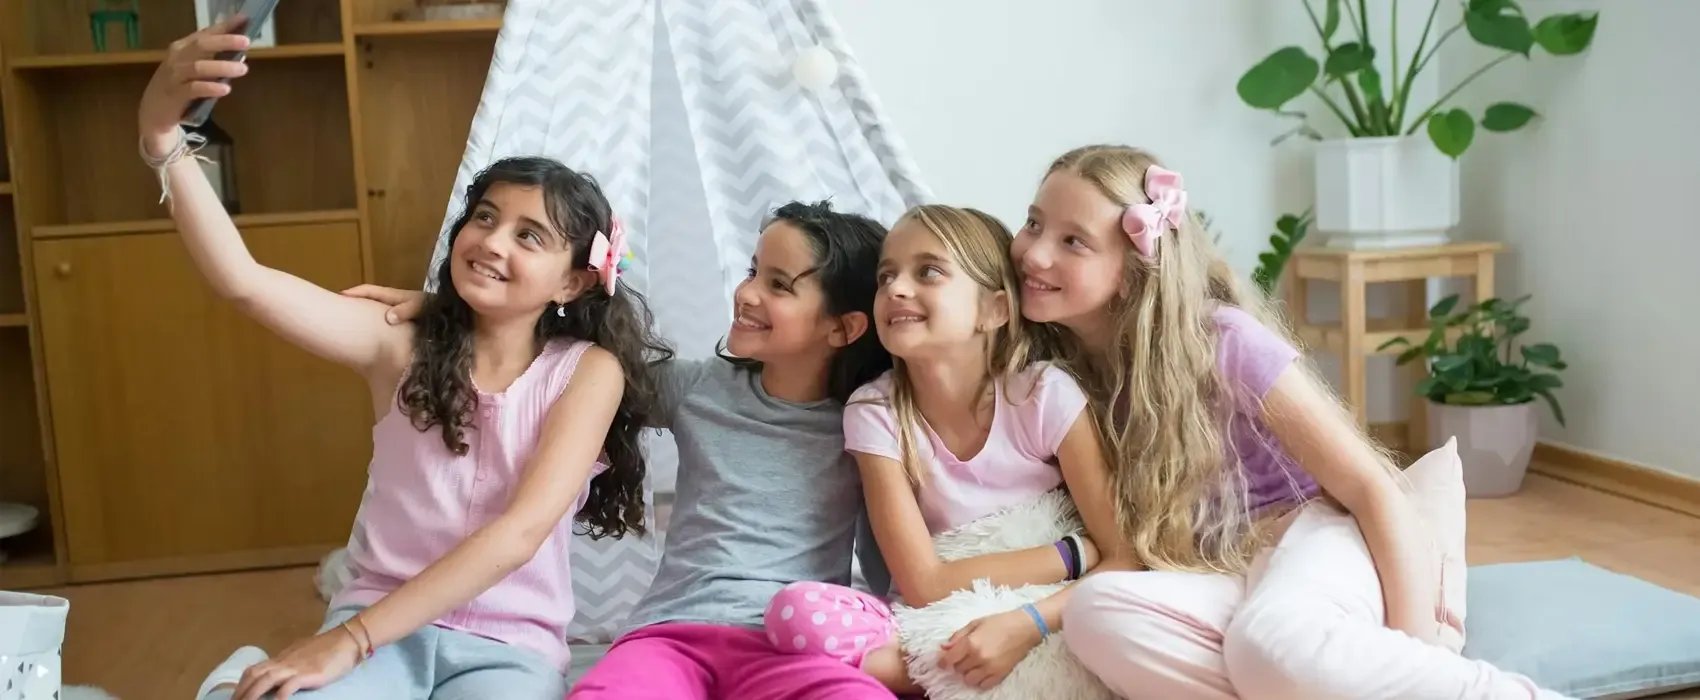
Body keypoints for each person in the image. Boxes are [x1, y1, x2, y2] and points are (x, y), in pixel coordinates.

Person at [142, 22, 672, 700]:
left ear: (572, 282)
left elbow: (518, 535)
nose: (491, 241)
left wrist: (345, 642)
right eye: (483, 217)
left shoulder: (589, 371)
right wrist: (162, 140)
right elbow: (245, 283)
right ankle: (235, 675)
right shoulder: (397, 340)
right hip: (375, 624)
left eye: (528, 235)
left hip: (507, 650)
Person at [1011, 144, 1569, 699]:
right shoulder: (1059, 377)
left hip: (1317, 539)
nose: (1034, 254)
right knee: (1095, 613)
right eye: (1033, 223)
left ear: (1133, 273)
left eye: (1073, 241)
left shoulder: (1221, 341)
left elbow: (1371, 487)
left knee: (1267, 642)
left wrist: (1414, 648)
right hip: (1229, 573)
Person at [347, 201, 902, 700]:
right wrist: (461, 317)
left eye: (779, 285)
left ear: (843, 328)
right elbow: (557, 361)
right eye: (755, 270)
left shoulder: (870, 425)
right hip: (671, 635)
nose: (746, 291)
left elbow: (895, 557)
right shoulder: (698, 389)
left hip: (795, 644)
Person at [759, 204, 1133, 694]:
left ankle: (980, 672)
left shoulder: (1042, 394)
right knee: (798, 616)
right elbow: (922, 583)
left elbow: (1125, 558)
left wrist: (1028, 623)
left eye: (928, 272)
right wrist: (1069, 556)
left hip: (1047, 612)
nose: (896, 287)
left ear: (994, 310)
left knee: (1130, 624)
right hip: (933, 617)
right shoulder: (876, 411)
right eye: (885, 275)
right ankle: (965, 673)